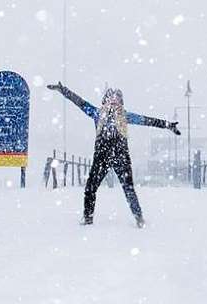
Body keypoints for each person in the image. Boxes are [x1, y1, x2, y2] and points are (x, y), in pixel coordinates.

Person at [47, 82, 181, 228]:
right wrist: (64, 90)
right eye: (110, 98)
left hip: (120, 156)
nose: (113, 101)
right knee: (90, 187)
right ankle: (88, 218)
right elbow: (79, 102)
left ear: (121, 102)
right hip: (101, 156)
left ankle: (139, 218)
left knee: (128, 188)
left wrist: (167, 125)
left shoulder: (125, 116)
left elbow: (147, 120)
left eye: (116, 99)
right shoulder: (97, 113)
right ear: (104, 101)